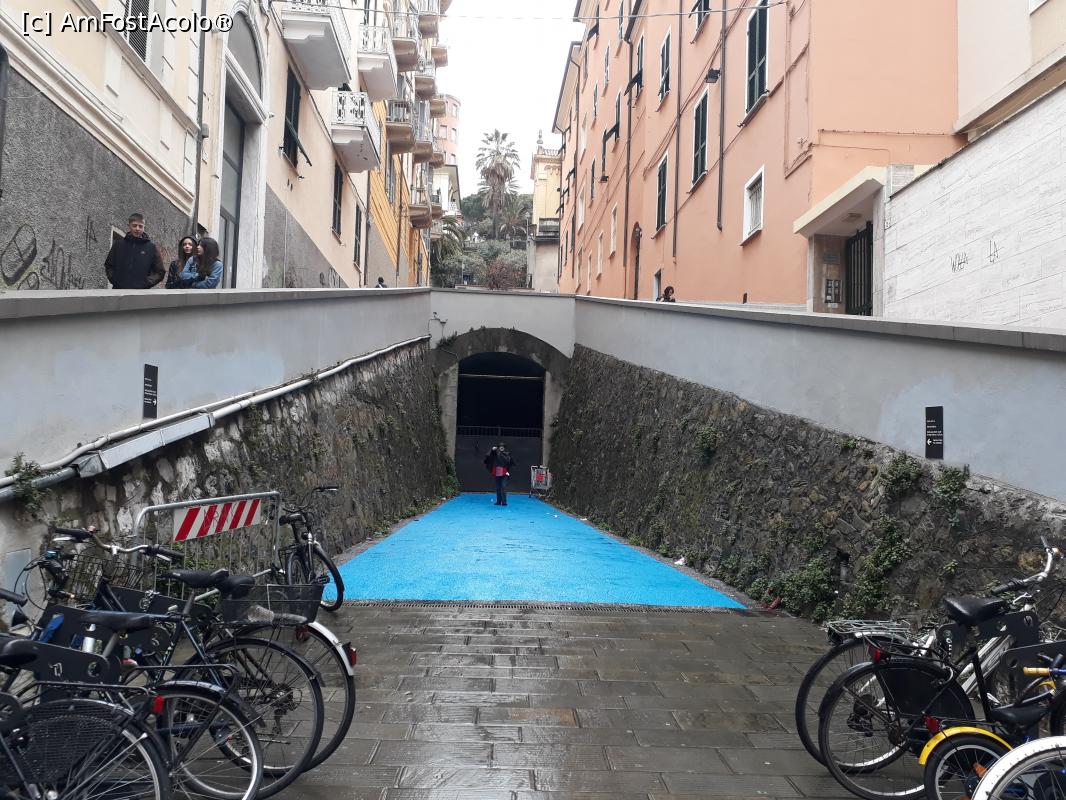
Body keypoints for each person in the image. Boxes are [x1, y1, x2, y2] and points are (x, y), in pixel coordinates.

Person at [104, 213, 166, 289]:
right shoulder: (118, 245)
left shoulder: (151, 248)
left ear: (144, 227)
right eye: (134, 225)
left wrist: (146, 283)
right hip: (118, 291)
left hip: (141, 293)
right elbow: (109, 265)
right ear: (129, 226)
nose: (137, 228)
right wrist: (115, 280)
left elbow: (160, 272)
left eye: (140, 226)